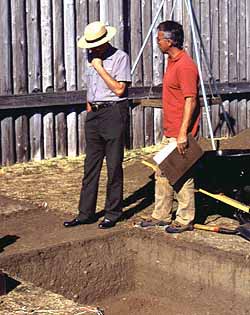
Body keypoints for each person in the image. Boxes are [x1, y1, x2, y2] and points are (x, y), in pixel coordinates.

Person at [64, 21, 131, 229]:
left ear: (106, 40)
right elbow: (91, 87)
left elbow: (120, 90)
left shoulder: (121, 57)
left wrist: (100, 68)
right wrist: (89, 108)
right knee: (90, 166)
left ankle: (113, 212)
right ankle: (85, 213)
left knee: (113, 165)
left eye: (96, 44)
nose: (93, 49)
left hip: (114, 111)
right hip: (94, 113)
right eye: (90, 45)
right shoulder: (90, 56)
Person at [143, 20, 200, 232]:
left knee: (181, 174)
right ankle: (161, 215)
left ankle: (185, 219)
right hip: (172, 130)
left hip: (181, 132)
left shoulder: (185, 66)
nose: (157, 42)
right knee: (162, 171)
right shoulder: (172, 61)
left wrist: (183, 133)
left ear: (169, 41)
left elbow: (190, 100)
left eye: (159, 39)